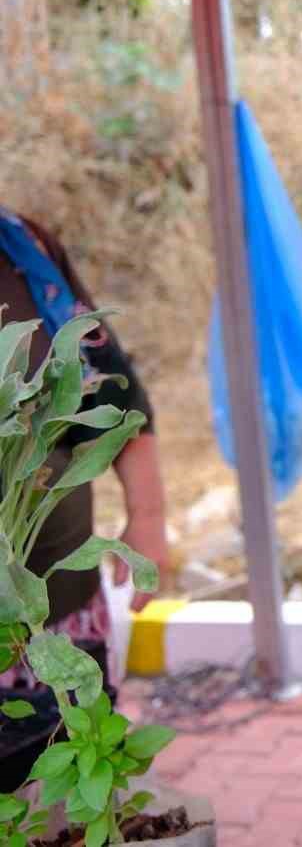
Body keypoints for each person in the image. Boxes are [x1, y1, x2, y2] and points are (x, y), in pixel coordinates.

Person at [0, 207, 172, 687]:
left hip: (62, 620)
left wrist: (148, 517)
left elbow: (110, 386)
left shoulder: (24, 245)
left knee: (76, 754)